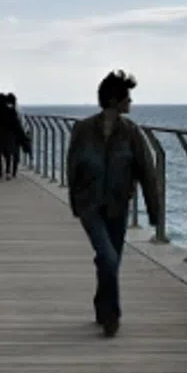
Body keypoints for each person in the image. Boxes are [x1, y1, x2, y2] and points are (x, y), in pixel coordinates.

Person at [65, 70, 162, 338]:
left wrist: (155, 213)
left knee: (110, 260)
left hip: (118, 206)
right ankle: (112, 316)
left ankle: (100, 303)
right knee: (108, 256)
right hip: (90, 205)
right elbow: (72, 166)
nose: (130, 102)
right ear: (114, 100)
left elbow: (147, 171)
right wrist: (75, 201)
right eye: (127, 97)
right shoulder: (83, 130)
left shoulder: (131, 133)